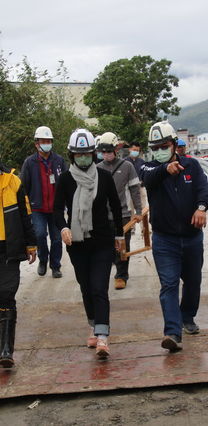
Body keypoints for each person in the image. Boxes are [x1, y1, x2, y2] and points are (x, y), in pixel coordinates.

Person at [141, 120, 208, 352]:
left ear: (173, 144)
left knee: (193, 281)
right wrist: (165, 169)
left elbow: (204, 191)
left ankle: (188, 317)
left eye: (164, 146)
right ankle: (172, 332)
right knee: (169, 284)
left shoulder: (192, 167)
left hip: (192, 237)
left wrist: (201, 208)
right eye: (156, 147)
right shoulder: (148, 168)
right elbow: (149, 178)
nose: (160, 151)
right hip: (165, 240)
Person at [54, 129, 124, 359]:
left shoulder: (103, 177)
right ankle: (93, 325)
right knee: (85, 287)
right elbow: (56, 210)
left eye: (86, 153)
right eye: (78, 154)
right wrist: (64, 227)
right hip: (77, 244)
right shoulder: (65, 179)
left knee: (98, 287)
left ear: (93, 154)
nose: (83, 157)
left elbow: (115, 206)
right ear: (71, 155)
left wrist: (119, 236)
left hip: (103, 241)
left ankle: (103, 336)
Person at [0, 158, 37, 367]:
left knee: (6, 293)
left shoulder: (13, 182)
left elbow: (25, 213)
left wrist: (31, 243)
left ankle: (6, 349)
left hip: (8, 249)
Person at [97, 132, 142, 290]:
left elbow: (135, 189)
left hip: (123, 215)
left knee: (123, 246)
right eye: (103, 152)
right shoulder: (97, 168)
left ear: (116, 149)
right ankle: (109, 270)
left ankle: (121, 275)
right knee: (106, 247)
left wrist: (138, 211)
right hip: (103, 216)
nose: (106, 154)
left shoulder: (127, 166)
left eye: (109, 151)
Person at [21, 126, 66, 278]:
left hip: (56, 208)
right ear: (36, 144)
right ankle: (42, 260)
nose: (47, 143)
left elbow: (66, 183)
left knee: (57, 238)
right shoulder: (29, 162)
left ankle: (55, 265)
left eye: (49, 141)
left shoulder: (59, 160)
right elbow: (24, 186)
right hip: (37, 208)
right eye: (43, 141)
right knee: (39, 235)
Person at [125, 141, 147, 209]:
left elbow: (145, 174)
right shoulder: (124, 162)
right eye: (134, 150)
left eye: (137, 150)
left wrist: (143, 182)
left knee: (143, 207)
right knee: (130, 208)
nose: (136, 152)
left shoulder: (142, 162)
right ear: (129, 149)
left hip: (140, 187)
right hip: (129, 189)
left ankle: (144, 219)